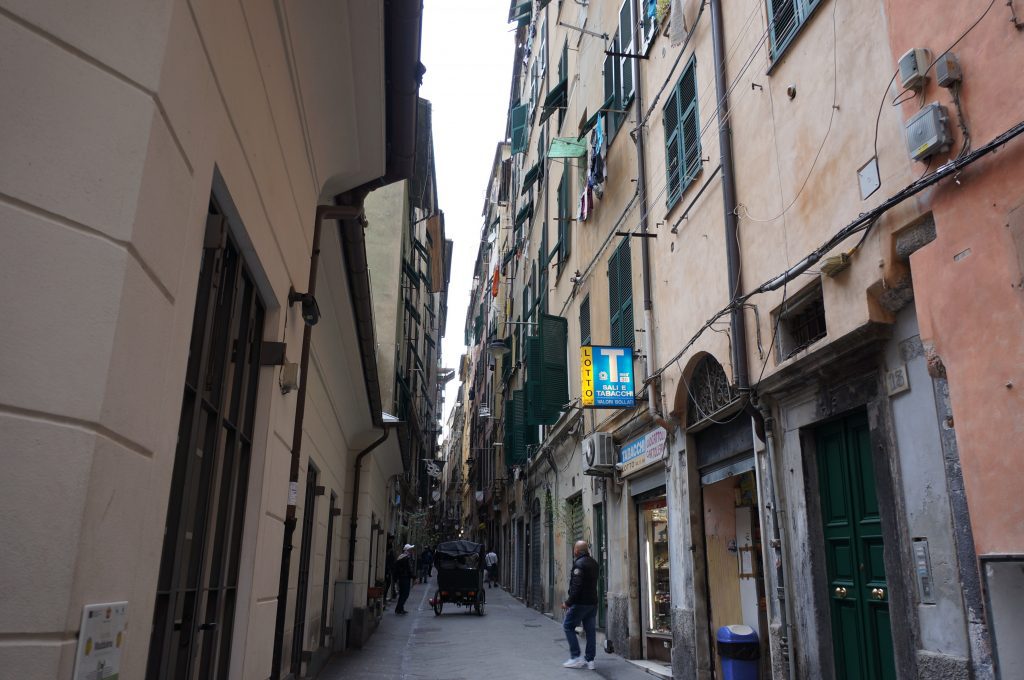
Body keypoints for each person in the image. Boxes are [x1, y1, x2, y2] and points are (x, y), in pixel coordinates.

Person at [561, 540, 599, 670]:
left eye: (574, 549)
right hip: (592, 603)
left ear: (577, 551)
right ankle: (590, 660)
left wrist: (568, 602)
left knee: (567, 626)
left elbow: (577, 586)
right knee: (590, 632)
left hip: (581, 603)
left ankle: (576, 657)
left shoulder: (579, 564)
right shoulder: (594, 563)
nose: (573, 551)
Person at [393, 544, 414, 615]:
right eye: (410, 549)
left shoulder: (400, 557)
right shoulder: (406, 558)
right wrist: (414, 577)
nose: (411, 551)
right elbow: (408, 569)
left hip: (401, 578)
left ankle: (399, 608)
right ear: (407, 550)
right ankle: (399, 608)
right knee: (405, 594)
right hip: (405, 578)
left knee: (402, 594)